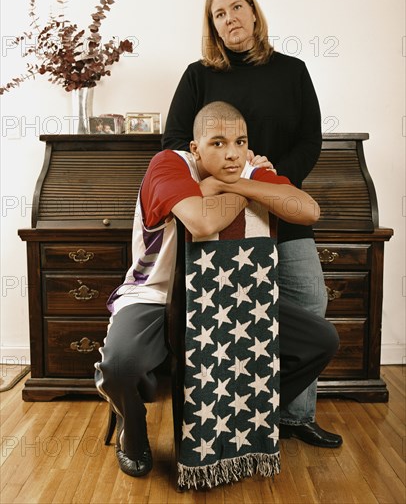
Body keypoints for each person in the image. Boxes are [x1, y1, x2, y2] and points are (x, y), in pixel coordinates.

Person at [95, 101, 339, 478]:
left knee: (320, 340)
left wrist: (231, 183)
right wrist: (254, 187)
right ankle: (134, 429)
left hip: (234, 298)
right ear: (196, 148)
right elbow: (201, 222)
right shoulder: (168, 163)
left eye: (240, 142)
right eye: (218, 143)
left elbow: (307, 211)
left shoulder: (244, 171)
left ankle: (249, 412)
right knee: (119, 365)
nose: (231, 153)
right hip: (156, 294)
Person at [162, 0, 342, 448]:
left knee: (309, 306)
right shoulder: (198, 75)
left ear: (255, 14)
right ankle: (238, 411)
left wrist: (275, 178)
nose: (229, 19)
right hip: (222, 217)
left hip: (283, 205)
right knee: (230, 315)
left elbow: (311, 141)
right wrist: (227, 183)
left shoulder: (293, 71)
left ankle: (294, 415)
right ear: (213, 28)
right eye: (218, 15)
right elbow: (175, 142)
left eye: (236, 8)